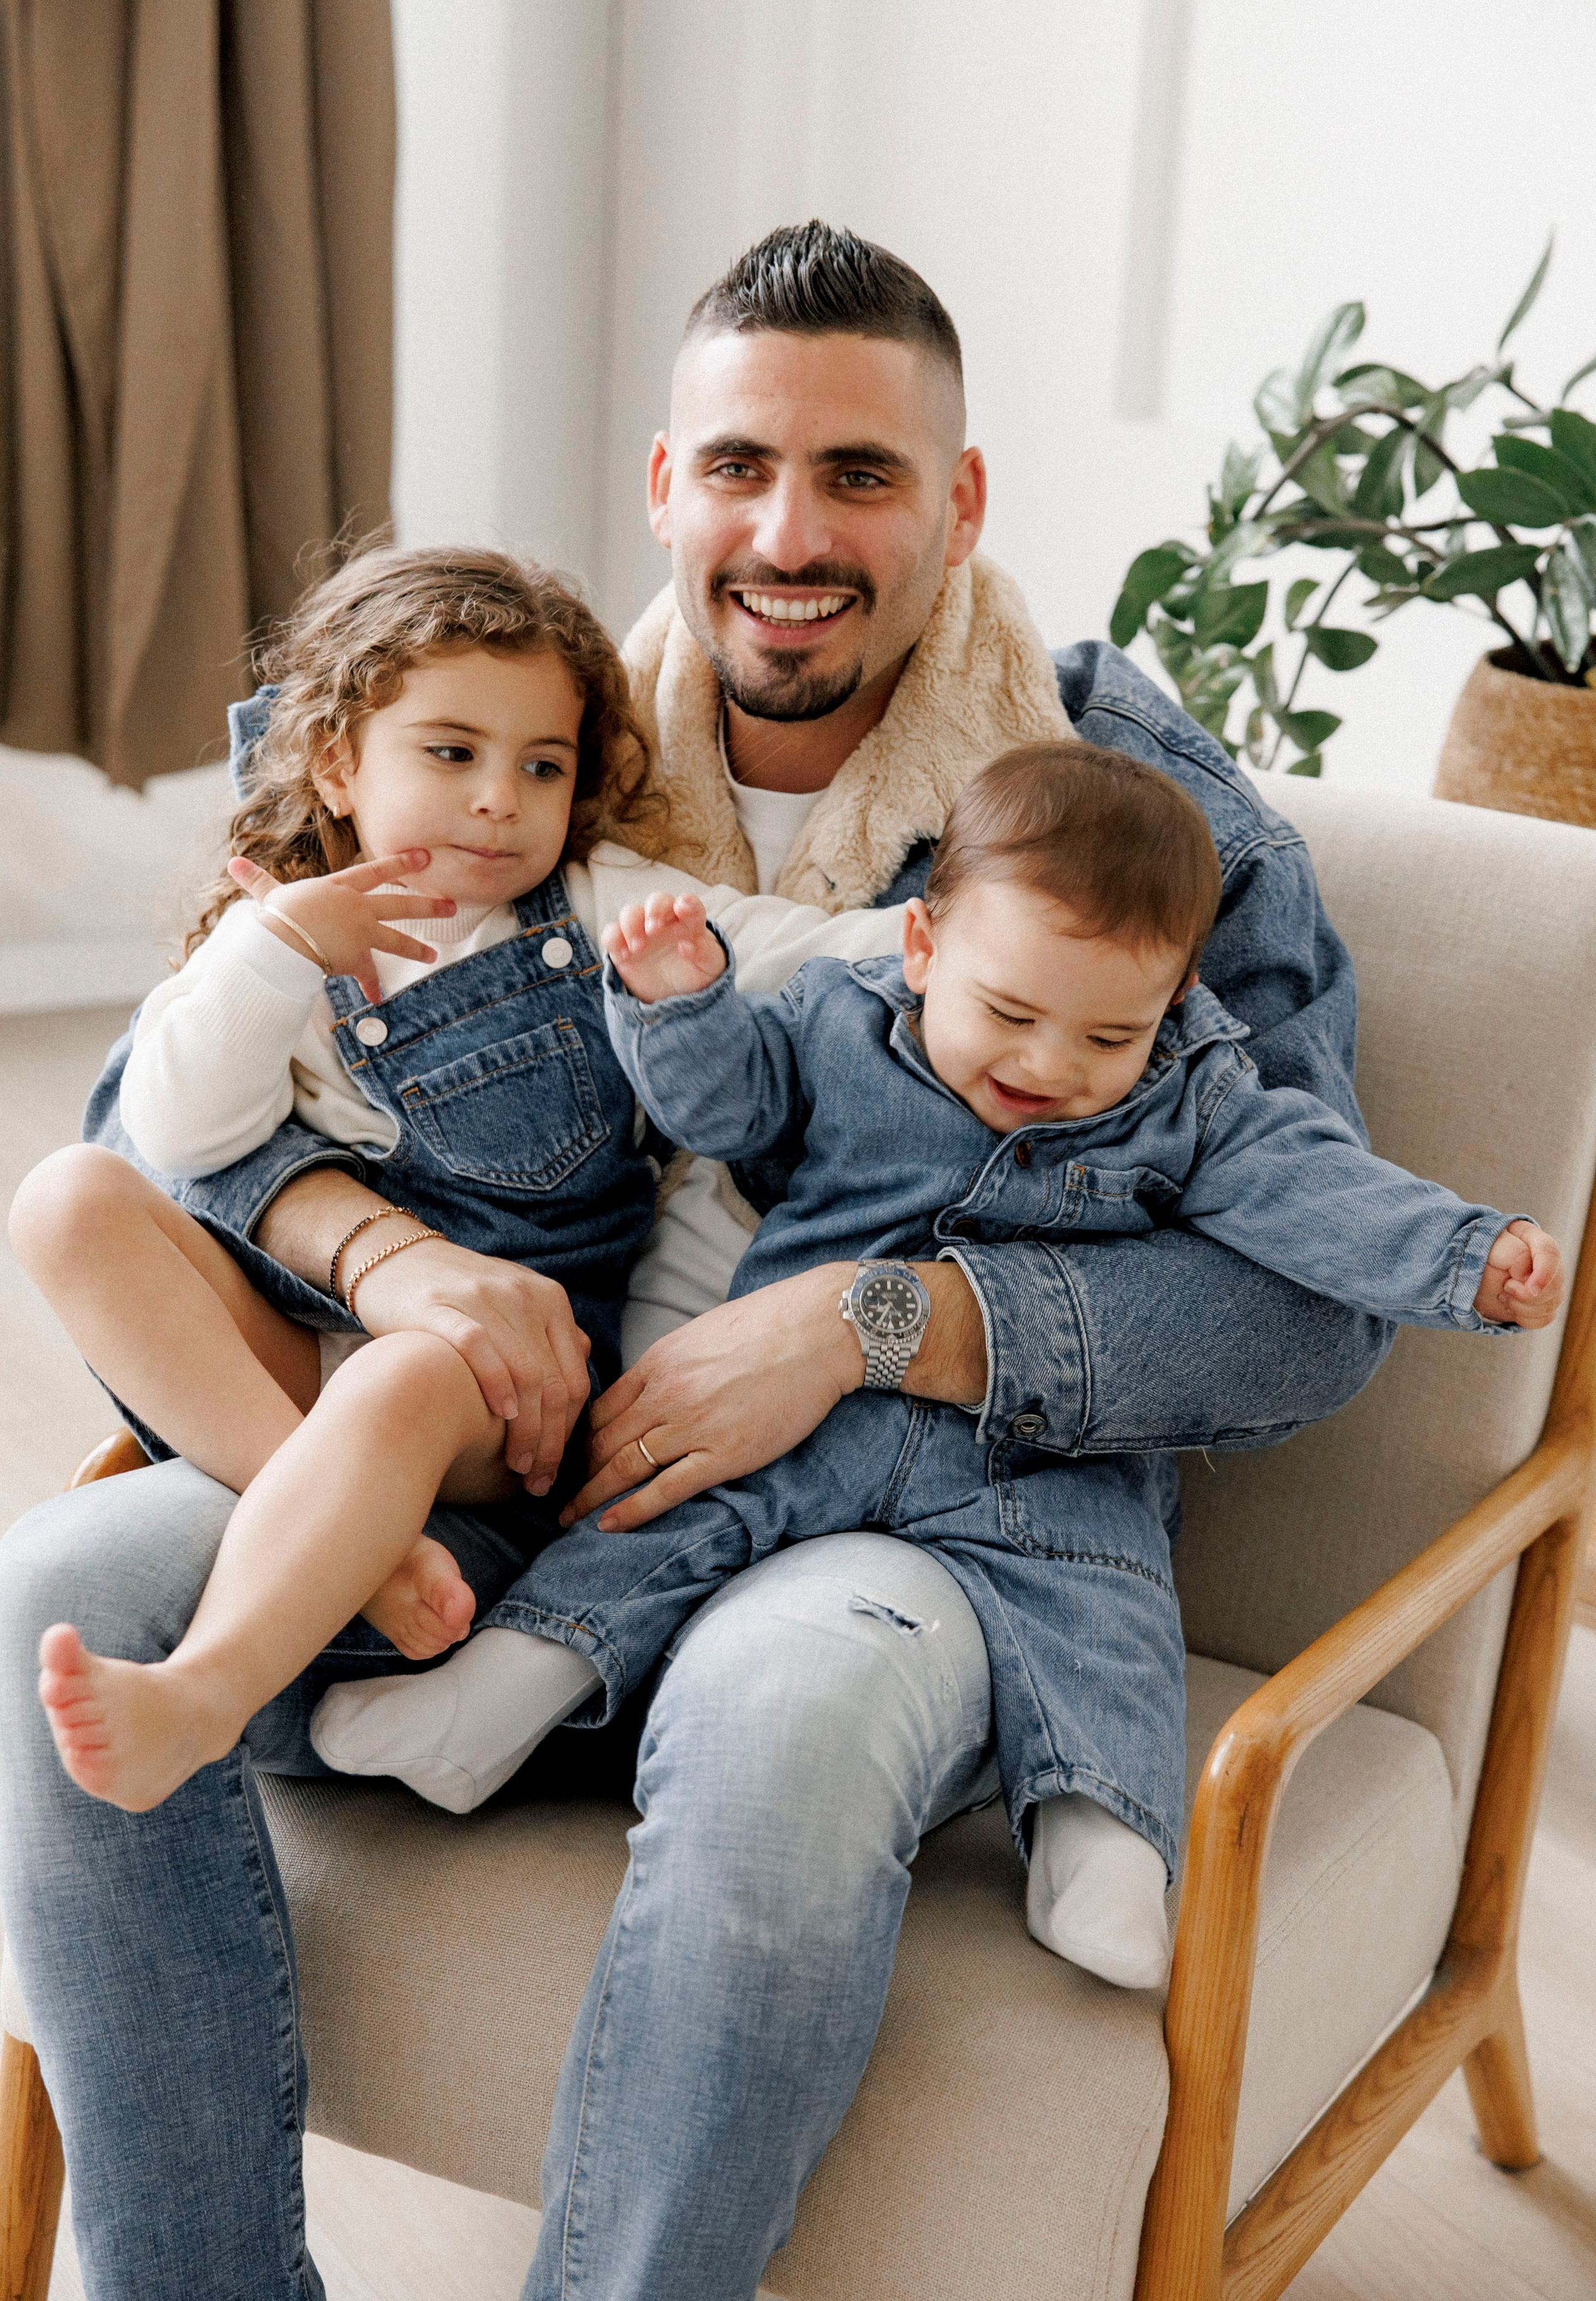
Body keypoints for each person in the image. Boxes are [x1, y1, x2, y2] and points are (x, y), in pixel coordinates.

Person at [0, 223, 1404, 2301]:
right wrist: (386, 1261)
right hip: (485, 1470)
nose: (791, 528)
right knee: (56, 1591)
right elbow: (158, 1128)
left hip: (901, 1524)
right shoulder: (495, 730)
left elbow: (1317, 1304)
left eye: (862, 473)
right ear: (664, 484)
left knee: (790, 1726)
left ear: (963, 502)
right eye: (740, 465)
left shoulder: (1134, 818)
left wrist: (873, 1331)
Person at [330, 741, 1560, 1995]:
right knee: (662, 1509)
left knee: (1102, 1605)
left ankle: (1105, 1847)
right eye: (1009, 1014)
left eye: (1106, 1034)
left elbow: (1319, 1197)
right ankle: (501, 1693)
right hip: (807, 1413)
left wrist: (1467, 1258)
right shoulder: (840, 1017)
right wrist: (676, 1003)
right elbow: (734, 1112)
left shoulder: (1198, 1100)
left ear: (1179, 999)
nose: (1044, 1066)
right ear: (920, 948)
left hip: (1040, 1455)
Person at [13, 540, 913, 1805]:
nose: (498, 798)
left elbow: (793, 949)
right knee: (63, 1199)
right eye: (450, 753)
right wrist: (274, 948)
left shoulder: (591, 907)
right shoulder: (273, 933)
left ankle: (203, 1689)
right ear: (337, 760)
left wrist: (946, 938)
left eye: (539, 766)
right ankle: (356, 1548)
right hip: (298, 1358)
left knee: (406, 1371)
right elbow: (180, 1130)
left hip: (503, 1400)